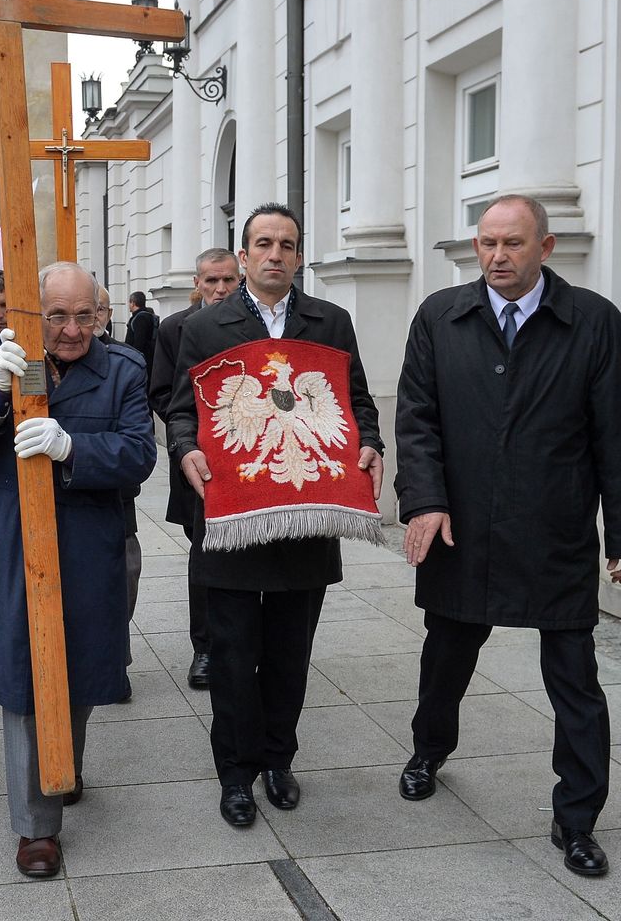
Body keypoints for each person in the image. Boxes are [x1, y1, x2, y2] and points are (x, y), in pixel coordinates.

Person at [393, 194, 621, 879]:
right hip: (460, 529)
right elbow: (417, 422)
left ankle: (578, 821)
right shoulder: (440, 318)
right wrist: (423, 501)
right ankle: (428, 751)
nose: (497, 257)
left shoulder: (593, 322)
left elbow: (615, 436)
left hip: (554, 529)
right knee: (445, 657)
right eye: (486, 244)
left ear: (546, 247)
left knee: (574, 681)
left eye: (511, 244)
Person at [169, 203, 383, 828]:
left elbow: (357, 402)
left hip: (306, 517)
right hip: (234, 516)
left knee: (290, 654)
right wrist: (184, 450)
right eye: (263, 243)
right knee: (234, 657)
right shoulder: (207, 328)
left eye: (287, 244)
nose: (275, 254)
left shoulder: (330, 323)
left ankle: (278, 758)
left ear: (298, 255)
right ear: (243, 256)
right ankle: (235, 775)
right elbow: (184, 410)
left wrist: (369, 440)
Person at [0, 264, 155, 876]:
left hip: (89, 542)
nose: (70, 330)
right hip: (12, 538)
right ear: (31, 314)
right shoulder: (0, 358)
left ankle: (63, 763)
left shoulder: (122, 370)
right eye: (56, 316)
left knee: (82, 665)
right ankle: (36, 826)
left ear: (101, 314)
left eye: (83, 316)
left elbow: (140, 452)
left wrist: (73, 448)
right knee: (23, 675)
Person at [149, 248, 241, 689]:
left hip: (249, 459)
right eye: (212, 282)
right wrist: (202, 433)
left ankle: (244, 644)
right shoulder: (174, 329)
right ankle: (204, 649)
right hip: (199, 461)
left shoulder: (253, 325)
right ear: (197, 284)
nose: (220, 290)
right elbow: (163, 394)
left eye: (228, 281)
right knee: (205, 554)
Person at [94, 284, 145, 637]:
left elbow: (137, 445)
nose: (88, 319)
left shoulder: (126, 362)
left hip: (118, 499)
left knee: (125, 577)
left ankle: (117, 649)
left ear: (108, 315)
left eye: (97, 309)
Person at [124, 291, 157, 368]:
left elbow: (139, 343)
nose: (129, 305)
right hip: (149, 358)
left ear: (133, 303)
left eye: (129, 302)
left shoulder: (140, 319)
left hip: (140, 361)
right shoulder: (149, 315)